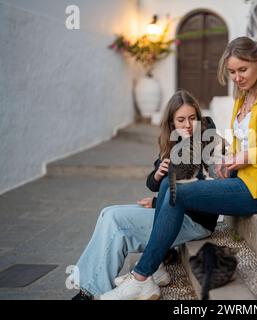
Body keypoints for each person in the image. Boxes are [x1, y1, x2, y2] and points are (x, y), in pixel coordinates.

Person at [100, 36, 257, 300]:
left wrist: (249, 156)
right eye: (232, 72)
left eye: (242, 70)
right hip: (241, 178)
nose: (237, 77)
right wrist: (230, 160)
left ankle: (143, 275)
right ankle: (156, 267)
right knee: (168, 184)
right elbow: (243, 144)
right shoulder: (242, 97)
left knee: (177, 191)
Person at [71, 90, 220, 300]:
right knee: (108, 213)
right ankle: (95, 287)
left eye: (192, 118)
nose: (187, 124)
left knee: (116, 222)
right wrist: (158, 175)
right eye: (181, 120)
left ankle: (91, 292)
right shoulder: (174, 144)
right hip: (173, 213)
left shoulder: (206, 143)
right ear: (171, 123)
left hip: (195, 221)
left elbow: (203, 191)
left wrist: (160, 200)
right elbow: (152, 182)